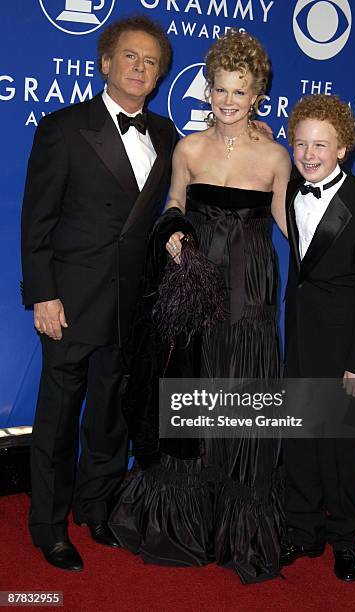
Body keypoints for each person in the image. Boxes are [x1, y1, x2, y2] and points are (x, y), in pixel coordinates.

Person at [109, 30, 291, 584]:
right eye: (219, 90)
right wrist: (172, 233)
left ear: (257, 94)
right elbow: (172, 203)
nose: (228, 101)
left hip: (251, 293)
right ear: (207, 91)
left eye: (239, 92)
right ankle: (182, 526)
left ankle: (238, 530)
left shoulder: (276, 155)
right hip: (194, 289)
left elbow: (289, 224)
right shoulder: (186, 148)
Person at [20, 15, 178, 571]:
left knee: (110, 414)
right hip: (71, 301)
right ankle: (48, 526)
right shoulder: (64, 128)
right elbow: (36, 220)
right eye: (130, 57)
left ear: (160, 76)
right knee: (58, 418)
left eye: (151, 61)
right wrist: (43, 293)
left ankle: (98, 507)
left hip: (130, 305)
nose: (140, 67)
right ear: (106, 62)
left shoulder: (167, 136)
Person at [280, 94, 355, 581]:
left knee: (341, 447)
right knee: (300, 441)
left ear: (343, 148)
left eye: (321, 145)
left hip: (345, 350)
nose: (309, 154)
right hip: (299, 340)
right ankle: (303, 529)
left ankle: (345, 539)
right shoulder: (290, 189)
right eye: (301, 143)